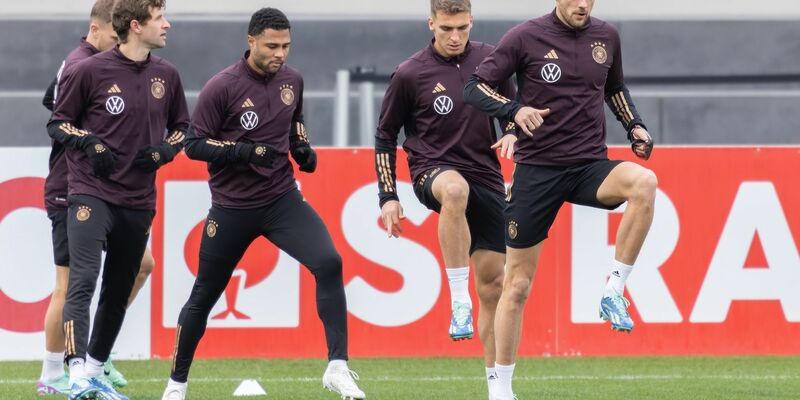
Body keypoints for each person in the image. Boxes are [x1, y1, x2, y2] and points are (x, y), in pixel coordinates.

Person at [160, 8, 365, 400]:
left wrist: (302, 147)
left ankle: (337, 367)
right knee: (204, 295)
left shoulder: (293, 80)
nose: (280, 53)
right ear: (250, 41)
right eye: (272, 45)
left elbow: (294, 121)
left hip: (281, 200)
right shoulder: (223, 86)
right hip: (231, 207)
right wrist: (243, 152)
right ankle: (176, 384)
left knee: (329, 261)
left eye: (286, 46)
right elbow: (193, 144)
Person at [463, 0, 657, 398]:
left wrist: (634, 125)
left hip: (589, 166)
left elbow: (614, 89)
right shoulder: (524, 36)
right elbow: (474, 87)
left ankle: (614, 290)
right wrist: (515, 111)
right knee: (516, 286)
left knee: (645, 182)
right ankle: (500, 387)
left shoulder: (607, 36)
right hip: (538, 171)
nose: (583, 5)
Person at [47, 0, 189, 398]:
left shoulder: (168, 75)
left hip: (139, 198)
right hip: (91, 193)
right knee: (84, 279)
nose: (167, 25)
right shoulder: (88, 70)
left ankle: (93, 372)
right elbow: (58, 123)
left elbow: (183, 129)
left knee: (117, 286)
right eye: (160, 18)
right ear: (134, 25)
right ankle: (74, 372)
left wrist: (166, 151)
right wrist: (89, 142)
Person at [374, 0, 515, 397]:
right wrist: (388, 195)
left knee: (494, 287)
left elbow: (512, 111)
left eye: (463, 28)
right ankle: (457, 302)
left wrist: (512, 132)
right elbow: (385, 136)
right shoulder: (410, 73)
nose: (455, 37)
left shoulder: (492, 61)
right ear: (431, 23)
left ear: (472, 23)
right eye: (447, 28)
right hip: (433, 172)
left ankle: (499, 388)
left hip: (487, 178)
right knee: (454, 190)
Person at [37, 0, 154, 394]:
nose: (120, 42)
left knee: (142, 265)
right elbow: (58, 116)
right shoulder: (80, 64)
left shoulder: (101, 64)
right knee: (69, 285)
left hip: (106, 189)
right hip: (72, 186)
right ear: (97, 29)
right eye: (115, 35)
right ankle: (54, 373)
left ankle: (94, 354)